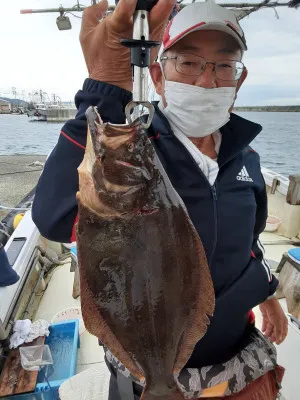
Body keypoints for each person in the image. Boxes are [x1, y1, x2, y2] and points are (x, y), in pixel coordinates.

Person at [32, 0, 288, 398]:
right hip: (149, 365)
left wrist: (267, 294)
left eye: (223, 65)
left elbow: (249, 240)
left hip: (239, 358)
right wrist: (105, 85)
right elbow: (55, 217)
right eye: (188, 63)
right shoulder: (136, 148)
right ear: (158, 74)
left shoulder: (247, 159)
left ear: (239, 80)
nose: (207, 80)